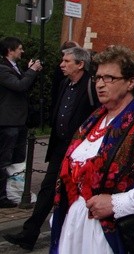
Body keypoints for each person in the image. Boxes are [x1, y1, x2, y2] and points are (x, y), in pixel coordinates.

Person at [48, 45, 134, 253]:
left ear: (130, 82)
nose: (100, 84)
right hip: (75, 224)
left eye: (109, 78)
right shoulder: (92, 121)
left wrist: (115, 203)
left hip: (112, 232)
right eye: (97, 78)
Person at [4, 47, 98, 250]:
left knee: (78, 193)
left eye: (66, 61)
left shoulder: (92, 85)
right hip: (60, 147)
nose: (61, 65)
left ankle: (78, 237)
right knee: (47, 189)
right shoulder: (65, 83)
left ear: (80, 64)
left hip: (82, 150)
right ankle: (29, 234)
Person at [0, 36, 42, 208]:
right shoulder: (2, 69)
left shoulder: (13, 67)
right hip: (7, 121)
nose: (22, 51)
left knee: (16, 159)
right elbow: (19, 86)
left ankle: (12, 190)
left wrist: (29, 72)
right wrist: (31, 71)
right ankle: (2, 196)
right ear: (10, 50)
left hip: (18, 120)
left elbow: (23, 84)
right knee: (4, 160)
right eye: (20, 48)